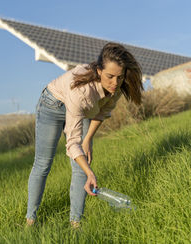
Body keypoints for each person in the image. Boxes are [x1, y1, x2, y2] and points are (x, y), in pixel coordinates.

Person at [26, 42, 143, 227]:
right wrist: (91, 173)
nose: (115, 83)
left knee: (82, 165)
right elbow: (72, 143)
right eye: (110, 76)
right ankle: (30, 220)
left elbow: (101, 113)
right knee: (43, 164)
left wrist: (88, 139)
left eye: (119, 77)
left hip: (83, 109)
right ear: (99, 71)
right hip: (53, 105)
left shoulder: (116, 87)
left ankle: (76, 224)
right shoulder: (82, 91)